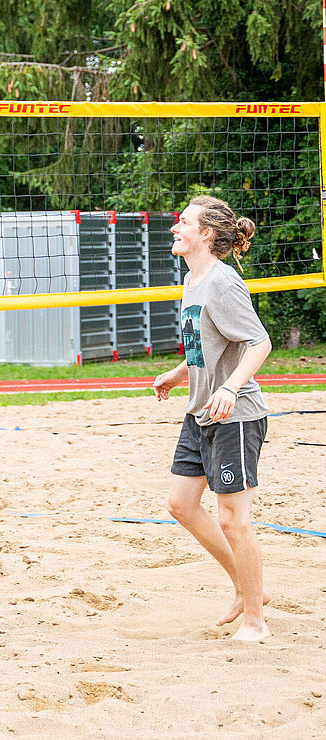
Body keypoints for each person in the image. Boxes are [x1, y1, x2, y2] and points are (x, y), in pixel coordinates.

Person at [152, 196, 273, 641]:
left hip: (235, 415)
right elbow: (206, 345)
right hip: (201, 410)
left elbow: (259, 343)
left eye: (183, 222)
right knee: (180, 504)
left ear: (206, 234)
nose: (174, 228)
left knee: (232, 520)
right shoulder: (192, 279)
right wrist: (179, 372)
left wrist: (230, 387)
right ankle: (247, 589)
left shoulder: (223, 282)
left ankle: (255, 621)